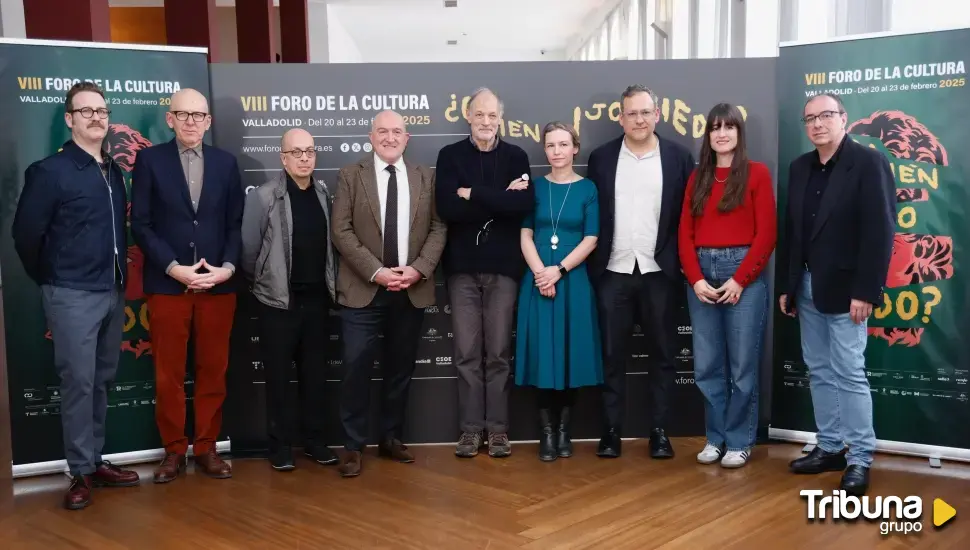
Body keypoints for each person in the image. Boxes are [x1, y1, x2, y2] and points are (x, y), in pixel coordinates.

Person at [11, 82, 140, 510]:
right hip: (71, 293)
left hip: (111, 293)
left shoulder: (114, 172)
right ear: (69, 119)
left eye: (102, 110)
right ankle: (80, 471)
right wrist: (52, 278)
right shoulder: (50, 171)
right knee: (78, 384)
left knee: (101, 380)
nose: (96, 117)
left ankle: (94, 459)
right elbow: (26, 236)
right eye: (86, 111)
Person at [780, 93, 895, 495]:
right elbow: (792, 232)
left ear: (843, 119)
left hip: (849, 292)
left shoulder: (868, 162)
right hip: (808, 287)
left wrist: (867, 291)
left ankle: (860, 457)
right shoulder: (799, 168)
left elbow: (880, 233)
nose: (817, 124)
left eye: (826, 116)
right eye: (809, 118)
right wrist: (788, 286)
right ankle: (829, 447)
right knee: (819, 369)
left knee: (849, 371)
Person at [131, 88, 245, 483]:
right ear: (170, 119)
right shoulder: (149, 160)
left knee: (213, 370)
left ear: (209, 121)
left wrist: (227, 267)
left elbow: (234, 224)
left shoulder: (226, 163)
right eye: (184, 114)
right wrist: (173, 267)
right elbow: (140, 224)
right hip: (168, 286)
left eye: (199, 116)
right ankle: (174, 451)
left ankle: (207, 448)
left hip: (218, 286)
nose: (192, 121)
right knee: (169, 373)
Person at [331, 109, 447, 478]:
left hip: (410, 289)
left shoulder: (426, 177)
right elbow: (341, 231)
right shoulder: (351, 175)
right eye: (383, 131)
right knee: (355, 368)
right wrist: (377, 272)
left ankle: (391, 437)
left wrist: (418, 269)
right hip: (363, 290)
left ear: (407, 138)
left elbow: (439, 227)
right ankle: (352, 445)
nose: (390, 137)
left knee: (400, 369)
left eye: (397, 132)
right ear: (371, 136)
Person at [586, 84, 696, 459]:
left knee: (664, 355)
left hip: (659, 272)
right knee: (611, 355)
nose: (639, 119)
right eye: (631, 113)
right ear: (620, 117)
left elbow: (687, 217)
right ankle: (611, 431)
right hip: (612, 270)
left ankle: (660, 431)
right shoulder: (600, 158)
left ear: (657, 114)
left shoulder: (680, 158)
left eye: (645, 112)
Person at [434, 87, 534, 459]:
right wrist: (497, 198)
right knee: (465, 353)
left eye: (492, 115)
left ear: (500, 119)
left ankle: (498, 432)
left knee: (499, 353)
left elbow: (522, 204)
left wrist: (472, 193)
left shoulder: (516, 156)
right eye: (480, 114)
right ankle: (470, 430)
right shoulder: (450, 156)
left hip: (504, 270)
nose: (486, 122)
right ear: (468, 116)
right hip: (461, 270)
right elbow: (447, 208)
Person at [677, 103, 776, 469]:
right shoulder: (697, 178)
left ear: (738, 133)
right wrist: (696, 278)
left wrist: (739, 280)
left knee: (742, 366)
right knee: (706, 365)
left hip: (743, 272)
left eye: (728, 127)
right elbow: (684, 234)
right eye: (715, 128)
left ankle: (739, 441)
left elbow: (766, 234)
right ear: (707, 135)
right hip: (701, 272)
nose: (721, 133)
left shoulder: (757, 174)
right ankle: (715, 438)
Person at [240, 128, 338, 471]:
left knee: (315, 378)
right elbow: (249, 252)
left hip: (317, 303)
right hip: (278, 305)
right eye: (296, 152)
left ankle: (314, 441)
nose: (304, 158)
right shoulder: (264, 197)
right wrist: (265, 285)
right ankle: (280, 446)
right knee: (279, 380)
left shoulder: (324, 194)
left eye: (309, 151)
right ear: (283, 158)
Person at [515, 122, 601, 462]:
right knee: (542, 356)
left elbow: (591, 239)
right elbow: (525, 235)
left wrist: (559, 271)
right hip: (537, 282)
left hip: (572, 281)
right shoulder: (533, 189)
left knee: (571, 355)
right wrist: (541, 274)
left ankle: (565, 430)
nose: (557, 151)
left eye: (563, 145)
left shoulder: (589, 189)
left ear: (574, 148)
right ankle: (546, 433)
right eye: (551, 145)